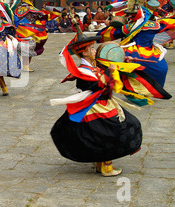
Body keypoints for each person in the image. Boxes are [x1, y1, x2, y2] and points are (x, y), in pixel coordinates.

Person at [50, 28, 142, 177]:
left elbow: (111, 66)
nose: (94, 51)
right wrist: (109, 74)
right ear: (84, 52)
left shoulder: (93, 66)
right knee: (112, 133)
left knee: (107, 133)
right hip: (95, 108)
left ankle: (101, 163)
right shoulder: (83, 72)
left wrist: (126, 62)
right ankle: (106, 166)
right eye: (91, 48)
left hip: (104, 105)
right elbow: (97, 85)